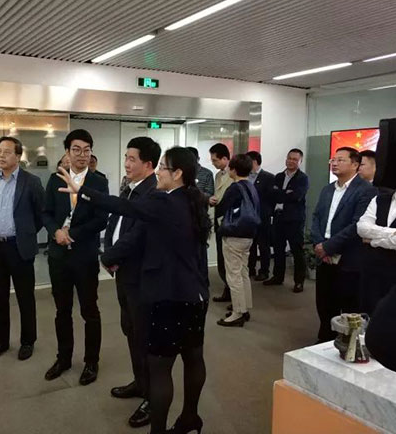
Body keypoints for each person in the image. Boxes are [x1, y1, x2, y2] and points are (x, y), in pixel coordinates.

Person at [57, 146, 211, 434]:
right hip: (195, 296)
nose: (159, 172)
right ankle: (190, 417)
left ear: (178, 173)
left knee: (160, 369)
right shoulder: (194, 199)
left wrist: (83, 191)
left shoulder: (165, 201)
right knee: (193, 359)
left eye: (163, 167)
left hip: (168, 297)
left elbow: (124, 207)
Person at [42, 129, 109, 386]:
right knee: (62, 310)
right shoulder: (54, 179)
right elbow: (46, 213)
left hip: (85, 255)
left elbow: (101, 219)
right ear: (67, 152)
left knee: (89, 310)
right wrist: (56, 231)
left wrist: (72, 234)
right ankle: (64, 358)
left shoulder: (98, 182)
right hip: (58, 256)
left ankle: (91, 362)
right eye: (76, 150)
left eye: (87, 150)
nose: (82, 155)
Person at [103, 137, 161, 429]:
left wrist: (109, 256)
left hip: (141, 278)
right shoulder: (130, 188)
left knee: (145, 337)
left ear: (148, 164)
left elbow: (137, 236)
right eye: (125, 157)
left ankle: (153, 397)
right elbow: (115, 224)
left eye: (132, 159)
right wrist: (110, 253)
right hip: (124, 274)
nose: (126, 163)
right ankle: (140, 383)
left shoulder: (153, 194)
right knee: (130, 330)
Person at [0, 136, 45, 361]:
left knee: (25, 297)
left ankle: (28, 341)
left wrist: (26, 234)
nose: (1, 155)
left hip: (19, 247)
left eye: (7, 152)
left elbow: (40, 215)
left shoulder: (32, 182)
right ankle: (0, 341)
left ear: (18, 156)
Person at [311, 147, 376, 342]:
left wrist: (329, 247)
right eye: (333, 160)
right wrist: (319, 244)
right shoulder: (328, 189)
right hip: (324, 256)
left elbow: (357, 225)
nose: (334, 163)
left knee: (349, 305)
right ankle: (324, 339)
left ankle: (348, 345)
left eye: (340, 160)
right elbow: (316, 217)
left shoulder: (366, 190)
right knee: (324, 303)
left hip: (348, 258)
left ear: (355, 164)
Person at [216, 154, 260, 327]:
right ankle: (244, 307)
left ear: (233, 169)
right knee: (243, 272)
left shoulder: (234, 188)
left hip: (234, 234)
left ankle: (237, 313)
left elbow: (221, 208)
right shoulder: (251, 186)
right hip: (248, 235)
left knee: (233, 274)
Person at [264, 149, 309, 293]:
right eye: (289, 158)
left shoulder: (302, 178)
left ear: (300, 161)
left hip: (294, 220)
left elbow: (297, 196)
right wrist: (285, 194)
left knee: (297, 251)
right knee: (278, 249)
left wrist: (280, 194)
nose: (291, 161)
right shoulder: (278, 176)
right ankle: (278, 277)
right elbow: (271, 195)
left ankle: (299, 282)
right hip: (278, 218)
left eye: (295, 159)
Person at [357, 189, 396, 314]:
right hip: (372, 273)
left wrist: (372, 241)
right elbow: (362, 228)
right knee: (369, 315)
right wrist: (393, 232)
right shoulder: (379, 199)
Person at [209, 143, 234, 302]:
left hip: (230, 221)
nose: (213, 163)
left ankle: (234, 295)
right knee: (221, 258)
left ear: (225, 158)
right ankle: (227, 289)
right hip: (218, 218)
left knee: (230, 261)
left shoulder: (235, 174)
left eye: (215, 160)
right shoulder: (218, 175)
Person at [246, 151, 275, 281]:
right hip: (248, 217)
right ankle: (250, 268)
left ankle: (264, 271)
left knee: (263, 245)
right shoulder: (245, 176)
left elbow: (271, 198)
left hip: (263, 216)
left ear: (254, 162)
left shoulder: (268, 177)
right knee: (250, 245)